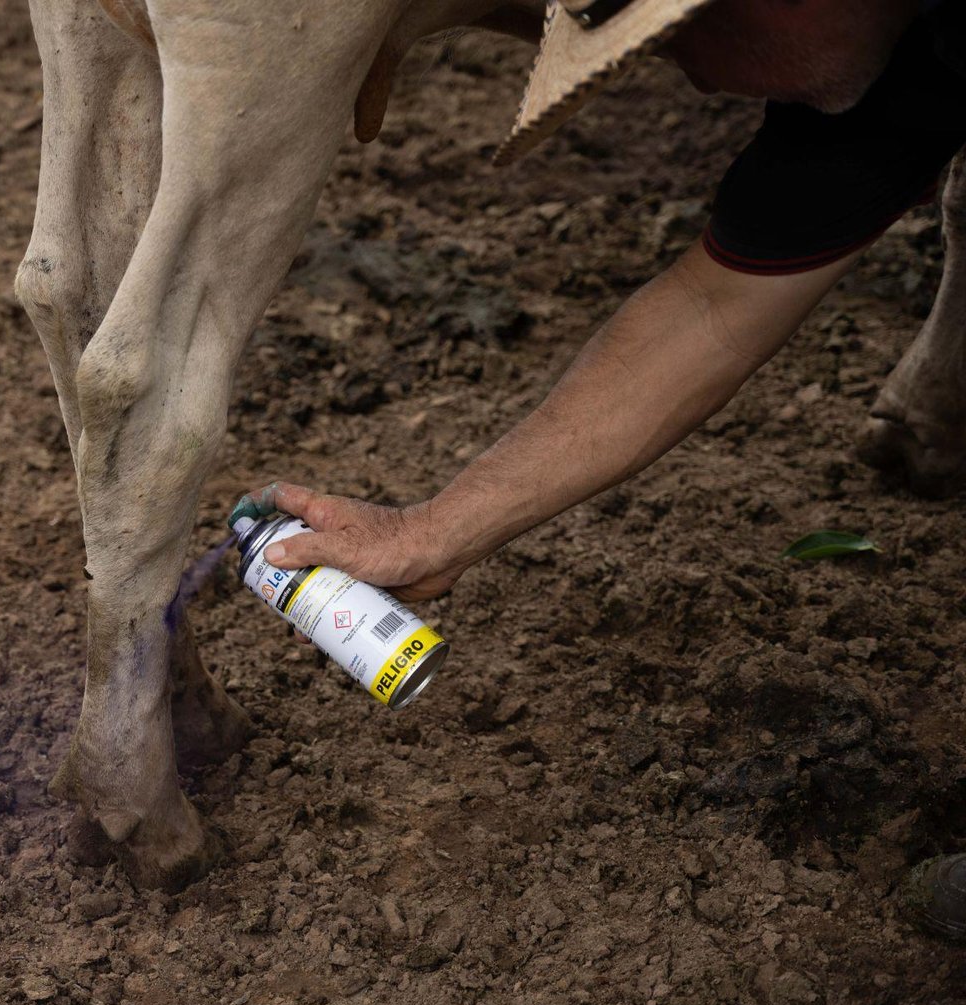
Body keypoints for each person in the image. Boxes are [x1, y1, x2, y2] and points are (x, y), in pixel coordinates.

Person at [235, 0, 966, 941]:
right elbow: (714, 309)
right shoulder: (874, 88)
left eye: (696, 21)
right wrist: (431, 531)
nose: (684, 67)